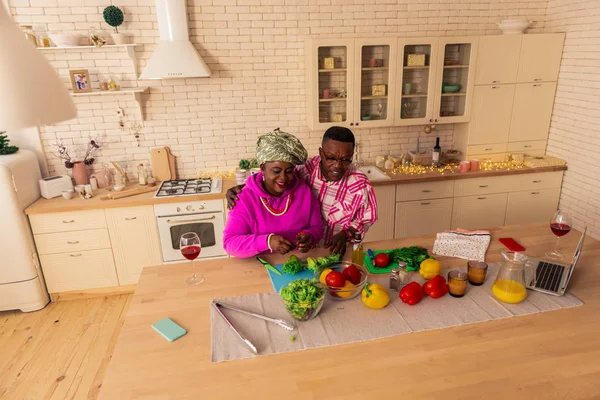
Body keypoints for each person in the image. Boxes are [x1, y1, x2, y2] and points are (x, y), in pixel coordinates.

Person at [227, 126, 377, 255]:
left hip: (337, 250)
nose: (338, 165)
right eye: (331, 158)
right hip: (305, 254)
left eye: (345, 159)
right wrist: (247, 187)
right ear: (321, 153)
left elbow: (366, 219)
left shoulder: (360, 184)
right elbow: (275, 173)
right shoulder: (305, 169)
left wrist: (346, 234)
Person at [222, 129, 323, 258]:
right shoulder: (244, 198)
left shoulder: (304, 192)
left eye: (289, 171)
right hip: (260, 266)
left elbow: (317, 228)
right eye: (276, 171)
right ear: (263, 168)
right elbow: (230, 243)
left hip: (299, 262)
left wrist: (310, 237)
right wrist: (267, 242)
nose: (283, 178)